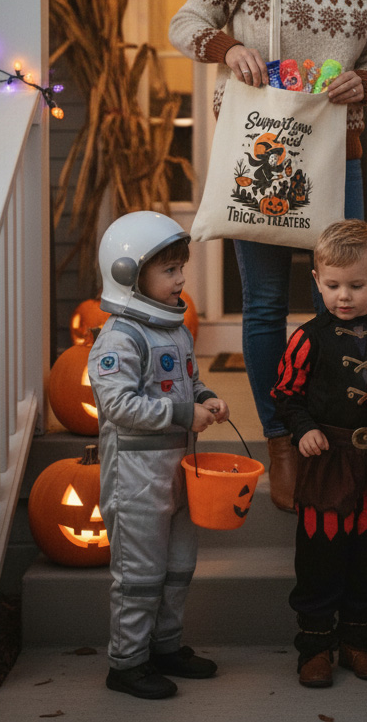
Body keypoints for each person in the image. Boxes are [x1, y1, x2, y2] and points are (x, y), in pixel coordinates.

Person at [170, 0, 367, 512]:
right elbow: (187, 23)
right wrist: (227, 45)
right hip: (260, 153)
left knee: (348, 299)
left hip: (338, 155)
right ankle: (281, 443)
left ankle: (341, 437)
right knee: (266, 307)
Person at [88, 211, 231, 700]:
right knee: (140, 575)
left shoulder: (175, 329)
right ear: (129, 274)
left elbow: (188, 382)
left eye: (180, 268)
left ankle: (165, 646)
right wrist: (181, 412)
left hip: (177, 473)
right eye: (169, 270)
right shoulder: (118, 338)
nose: (181, 279)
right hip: (136, 475)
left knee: (177, 566)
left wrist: (206, 396)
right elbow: (117, 405)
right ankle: (127, 662)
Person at [271, 219, 367, 689]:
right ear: (317, 280)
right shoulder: (308, 339)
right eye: (333, 285)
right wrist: (304, 429)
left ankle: (358, 642)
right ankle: (315, 647)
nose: (344, 296)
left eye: (356, 285)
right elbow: (286, 396)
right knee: (320, 557)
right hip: (326, 459)